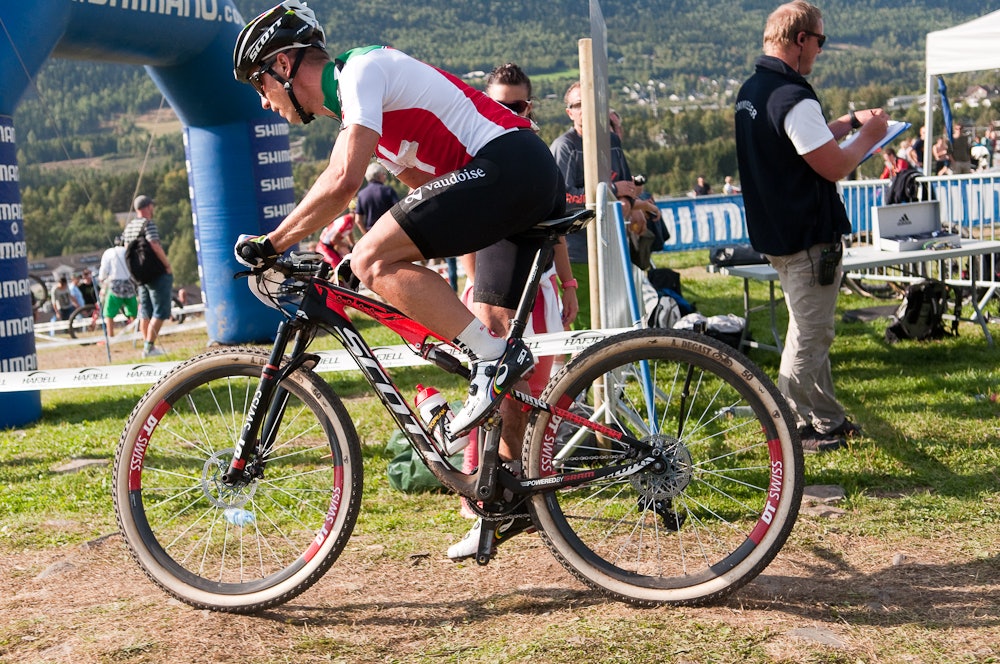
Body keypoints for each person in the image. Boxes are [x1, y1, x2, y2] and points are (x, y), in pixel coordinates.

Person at [232, 3, 562, 470]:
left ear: (283, 64)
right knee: (496, 343)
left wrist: (273, 243)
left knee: (376, 263)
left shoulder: (360, 72)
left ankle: (490, 359)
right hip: (514, 177)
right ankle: (510, 490)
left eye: (258, 84)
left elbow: (343, 180)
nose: (264, 101)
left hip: (509, 164)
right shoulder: (365, 115)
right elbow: (426, 194)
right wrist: (376, 260)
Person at [734, 0, 886, 452]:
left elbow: (797, 141)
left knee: (808, 330)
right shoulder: (792, 96)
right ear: (801, 39)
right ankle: (791, 427)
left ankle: (826, 419)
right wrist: (869, 136)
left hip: (777, 234)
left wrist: (847, 122)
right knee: (811, 336)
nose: (821, 48)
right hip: (806, 237)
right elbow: (833, 165)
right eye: (821, 40)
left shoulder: (753, 90)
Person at [448, 62, 578, 559]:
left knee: (531, 395)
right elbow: (464, 228)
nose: (511, 111)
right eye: (500, 104)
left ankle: (523, 490)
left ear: (530, 106)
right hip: (491, 284)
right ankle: (488, 493)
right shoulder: (476, 149)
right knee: (489, 390)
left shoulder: (535, 152)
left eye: (519, 105)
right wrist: (469, 282)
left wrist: (567, 283)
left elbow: (556, 227)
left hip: (536, 286)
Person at [549, 81, 636, 330]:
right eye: (579, 104)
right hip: (577, 251)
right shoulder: (565, 147)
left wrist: (626, 202)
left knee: (617, 315)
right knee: (585, 321)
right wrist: (612, 193)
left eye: (590, 103)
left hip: (611, 245)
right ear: (569, 112)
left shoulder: (612, 141)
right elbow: (565, 200)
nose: (585, 109)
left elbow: (628, 185)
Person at [122, 194, 174, 357]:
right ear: (148, 207)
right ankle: (149, 347)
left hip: (140, 276)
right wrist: (167, 265)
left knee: (145, 311)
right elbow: (155, 245)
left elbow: (126, 250)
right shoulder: (148, 224)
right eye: (152, 205)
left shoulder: (129, 227)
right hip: (155, 273)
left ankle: (147, 347)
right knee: (161, 310)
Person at [98, 235, 138, 336]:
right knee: (133, 310)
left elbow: (104, 270)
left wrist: (101, 278)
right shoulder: (129, 251)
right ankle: (136, 332)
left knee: (109, 312)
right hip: (129, 284)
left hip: (115, 285)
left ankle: (110, 334)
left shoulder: (109, 252)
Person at [355, 162, 399, 234]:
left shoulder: (361, 194)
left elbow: (358, 220)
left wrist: (367, 235)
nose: (385, 176)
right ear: (379, 175)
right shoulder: (388, 191)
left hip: (371, 232)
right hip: (389, 231)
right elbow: (399, 212)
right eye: (383, 174)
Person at [316, 202, 357, 266]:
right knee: (337, 267)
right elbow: (334, 239)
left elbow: (349, 233)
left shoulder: (351, 221)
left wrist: (353, 246)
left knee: (342, 265)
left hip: (330, 247)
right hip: (324, 247)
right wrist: (347, 247)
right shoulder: (348, 220)